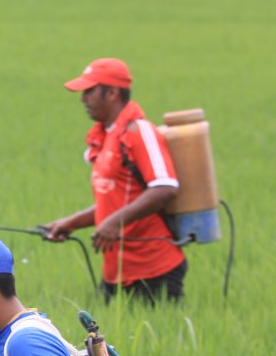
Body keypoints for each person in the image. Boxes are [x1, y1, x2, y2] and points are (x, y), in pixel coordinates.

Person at [42, 58, 187, 304]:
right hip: (116, 270)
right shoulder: (107, 135)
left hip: (154, 268)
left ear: (111, 93)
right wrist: (71, 223)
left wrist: (113, 223)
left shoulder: (140, 131)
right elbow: (116, 201)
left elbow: (165, 187)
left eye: (89, 91)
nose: (83, 99)